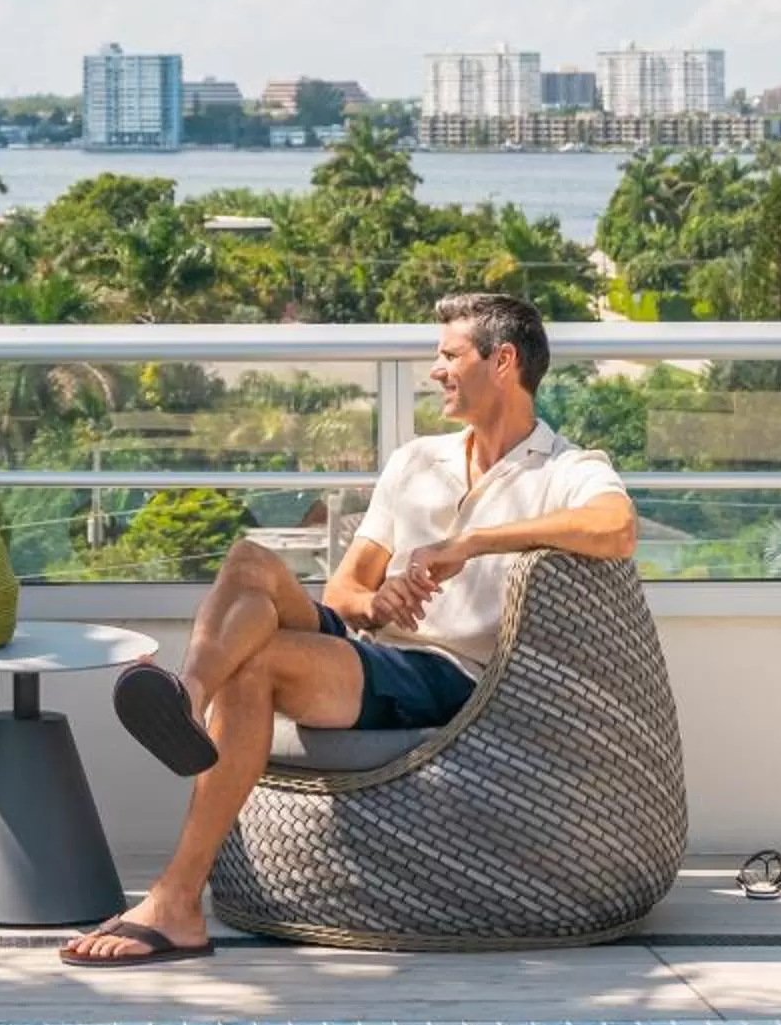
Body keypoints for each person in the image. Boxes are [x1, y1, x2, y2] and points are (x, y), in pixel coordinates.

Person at [61, 289, 637, 966]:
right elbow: (344, 588)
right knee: (249, 563)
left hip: (445, 673)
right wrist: (378, 602)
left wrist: (472, 543)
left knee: (261, 664)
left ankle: (176, 900)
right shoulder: (417, 460)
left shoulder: (566, 468)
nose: (435, 370)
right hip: (371, 643)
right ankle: (187, 696)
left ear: (502, 361)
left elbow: (616, 528)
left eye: (450, 355)